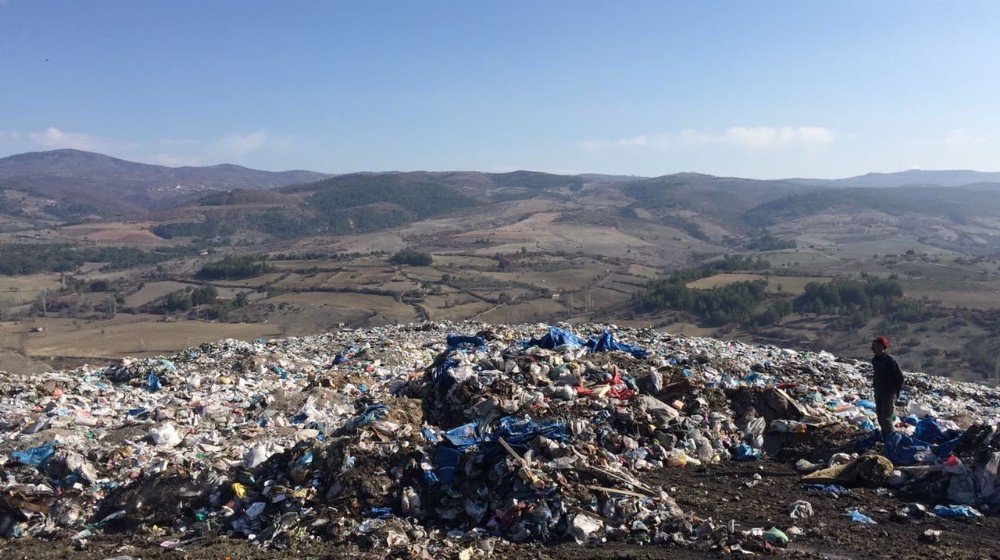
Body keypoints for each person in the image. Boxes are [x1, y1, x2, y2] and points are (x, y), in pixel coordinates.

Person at [870, 336, 904, 438]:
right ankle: (885, 437)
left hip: (888, 393)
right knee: (880, 417)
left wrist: (895, 392)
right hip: (879, 392)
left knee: (886, 418)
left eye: (875, 345)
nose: (872, 347)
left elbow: (900, 377)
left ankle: (891, 440)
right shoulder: (875, 360)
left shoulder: (889, 361)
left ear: (881, 346)